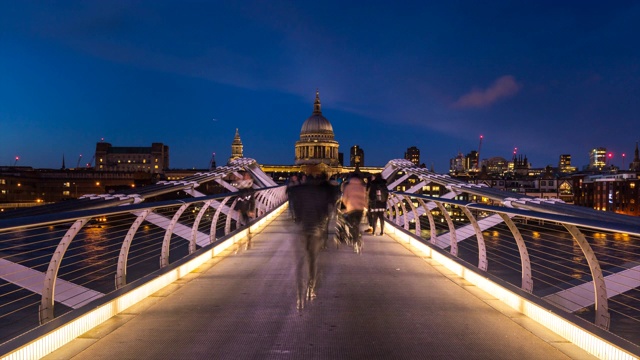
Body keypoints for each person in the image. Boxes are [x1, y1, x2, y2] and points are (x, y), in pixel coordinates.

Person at [288, 177, 334, 309]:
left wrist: (299, 219)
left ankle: (300, 283)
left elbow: (295, 210)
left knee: (301, 257)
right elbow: (326, 211)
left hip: (303, 227)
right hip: (316, 229)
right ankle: (311, 285)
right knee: (313, 257)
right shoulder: (321, 193)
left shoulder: (299, 191)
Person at [341, 173, 367, 253]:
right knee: (357, 223)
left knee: (351, 224)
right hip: (360, 208)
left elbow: (344, 198)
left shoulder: (348, 186)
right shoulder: (362, 187)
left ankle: (354, 240)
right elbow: (365, 197)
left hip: (351, 208)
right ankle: (358, 238)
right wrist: (366, 207)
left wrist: (345, 206)